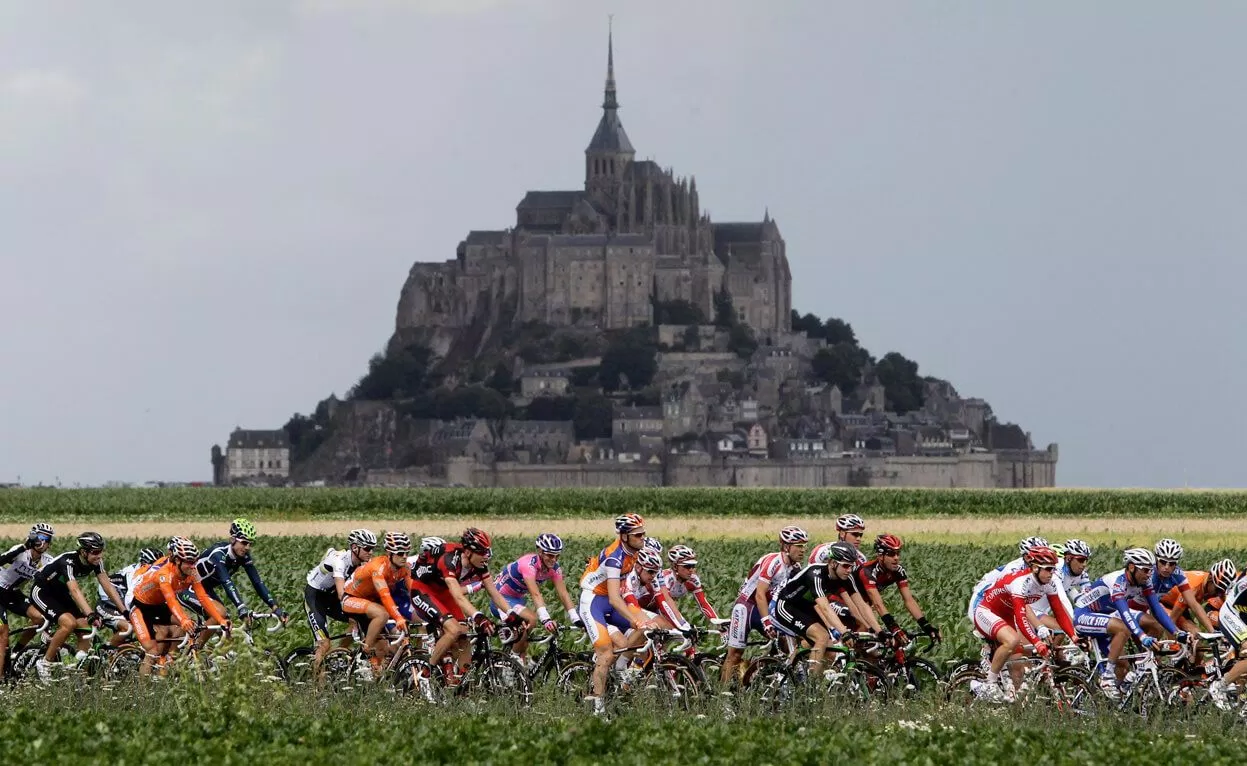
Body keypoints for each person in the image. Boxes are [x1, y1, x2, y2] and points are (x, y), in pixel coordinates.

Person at [1072, 547, 1187, 697]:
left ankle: (1130, 680)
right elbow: (1124, 612)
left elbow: (1156, 609)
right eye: (1145, 570)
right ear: (1132, 567)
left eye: (1151, 570)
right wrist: (1141, 636)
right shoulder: (1118, 581)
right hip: (1084, 615)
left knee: (1127, 662)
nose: (1149, 575)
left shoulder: (1143, 581)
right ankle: (1106, 678)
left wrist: (1176, 632)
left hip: (1108, 615)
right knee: (1123, 629)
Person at [971, 545, 1079, 703]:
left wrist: (1074, 637)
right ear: (1035, 568)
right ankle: (990, 683)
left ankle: (1012, 707)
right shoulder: (1020, 582)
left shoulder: (1049, 583)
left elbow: (1060, 613)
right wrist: (1037, 642)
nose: (1052, 573)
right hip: (987, 612)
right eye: (1048, 569)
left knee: (1019, 666)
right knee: (1012, 640)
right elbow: (1021, 618)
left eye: (1053, 569)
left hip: (1006, 616)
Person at [408, 527, 512, 684]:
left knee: (464, 634)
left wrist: (512, 614)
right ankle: (425, 676)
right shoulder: (450, 560)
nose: (486, 557)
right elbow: (458, 596)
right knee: (454, 630)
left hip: (443, 593)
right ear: (469, 552)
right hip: (423, 590)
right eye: (482, 553)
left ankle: (463, 684)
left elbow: (494, 593)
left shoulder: (480, 564)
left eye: (487, 552)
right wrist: (479, 617)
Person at [29, 532, 129, 681]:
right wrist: (90, 614)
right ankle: (45, 663)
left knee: (85, 628)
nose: (99, 555)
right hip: (43, 591)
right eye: (95, 552)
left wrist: (125, 611)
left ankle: (77, 669)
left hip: (60, 593)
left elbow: (108, 586)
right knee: (68, 623)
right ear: (83, 552)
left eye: (101, 551)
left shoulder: (96, 562)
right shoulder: (68, 561)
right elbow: (75, 590)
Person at [579, 514, 651, 716]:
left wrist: (642, 619)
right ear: (625, 536)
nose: (642, 538)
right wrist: (633, 618)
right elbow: (614, 598)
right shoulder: (614, 557)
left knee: (648, 628)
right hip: (593, 601)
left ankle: (620, 669)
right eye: (638, 535)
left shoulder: (634, 551)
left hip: (610, 601)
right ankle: (599, 710)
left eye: (643, 533)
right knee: (606, 653)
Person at [720, 526, 808, 688]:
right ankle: (722, 700)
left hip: (768, 608)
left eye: (804, 545)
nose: (803, 550)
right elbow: (760, 594)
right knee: (735, 655)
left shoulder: (796, 568)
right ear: (786, 547)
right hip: (747, 607)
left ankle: (762, 672)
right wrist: (767, 622)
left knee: (784, 642)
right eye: (799, 545)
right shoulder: (773, 561)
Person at [128, 538, 231, 676]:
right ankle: (142, 694)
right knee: (152, 651)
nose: (193, 565)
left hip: (158, 606)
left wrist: (220, 619)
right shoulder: (164, 574)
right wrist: (183, 620)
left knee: (191, 626)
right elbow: (171, 600)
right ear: (177, 560)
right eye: (189, 562)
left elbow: (203, 598)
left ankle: (170, 663)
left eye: (194, 561)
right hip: (140, 607)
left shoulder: (192, 572)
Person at [484, 533, 579, 663]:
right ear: (540, 551)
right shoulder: (528, 564)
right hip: (500, 599)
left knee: (523, 639)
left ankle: (518, 660)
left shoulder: (554, 568)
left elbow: (563, 594)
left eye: (557, 556)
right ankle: (512, 660)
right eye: (550, 555)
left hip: (517, 600)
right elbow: (535, 593)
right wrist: (546, 619)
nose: (554, 559)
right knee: (531, 619)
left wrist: (575, 618)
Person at [772, 542, 859, 679]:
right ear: (832, 563)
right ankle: (810, 688)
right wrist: (844, 632)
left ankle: (788, 671)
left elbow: (860, 606)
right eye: (845, 566)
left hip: (805, 607)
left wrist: (876, 630)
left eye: (851, 566)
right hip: (787, 605)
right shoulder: (815, 573)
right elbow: (824, 607)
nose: (849, 570)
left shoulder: (845, 577)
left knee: (830, 651)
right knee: (821, 637)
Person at [341, 531, 419, 678]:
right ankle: (365, 651)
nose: (404, 556)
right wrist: (398, 617)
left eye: (406, 553)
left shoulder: (405, 568)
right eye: (400, 553)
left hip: (370, 602)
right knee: (382, 614)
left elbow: (414, 593)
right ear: (389, 553)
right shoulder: (378, 567)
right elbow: (385, 595)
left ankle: (374, 677)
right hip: (351, 598)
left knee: (383, 647)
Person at [189, 519, 287, 628]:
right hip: (189, 588)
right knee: (220, 615)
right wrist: (241, 607)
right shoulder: (218, 554)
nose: (247, 547)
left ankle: (205, 643)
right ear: (232, 539)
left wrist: (274, 607)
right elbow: (226, 581)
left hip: (205, 589)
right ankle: (195, 645)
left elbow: (257, 582)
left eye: (250, 544)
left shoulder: (243, 556)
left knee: (226, 625)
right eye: (244, 542)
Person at [304, 529, 376, 670]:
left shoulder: (362, 564)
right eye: (368, 548)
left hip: (331, 598)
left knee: (358, 619)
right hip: (316, 596)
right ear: (355, 547)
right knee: (324, 643)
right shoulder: (340, 561)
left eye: (373, 549)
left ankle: (339, 656)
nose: (371, 552)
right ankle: (313, 685)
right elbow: (341, 594)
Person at [856, 534, 940, 644]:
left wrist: (926, 625)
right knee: (866, 628)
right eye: (891, 554)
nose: (896, 558)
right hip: (846, 601)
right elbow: (878, 604)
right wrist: (894, 628)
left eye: (897, 553)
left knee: (881, 646)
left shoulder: (898, 571)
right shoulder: (867, 571)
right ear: (880, 556)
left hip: (865, 604)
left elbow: (909, 600)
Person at [0, 523, 56, 679]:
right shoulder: (20, 551)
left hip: (13, 594)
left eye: (47, 539)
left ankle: (17, 651)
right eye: (40, 538)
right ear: (32, 537)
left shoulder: (46, 560)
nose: (43, 543)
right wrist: (23, 547)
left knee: (39, 619)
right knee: (2, 633)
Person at [1134, 539, 1215, 637]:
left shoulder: (1177, 574)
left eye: (1171, 563)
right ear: (1156, 560)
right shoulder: (1148, 574)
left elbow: (1194, 604)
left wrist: (1212, 631)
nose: (1167, 567)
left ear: (1176, 564)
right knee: (1158, 627)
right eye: (1163, 562)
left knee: (1163, 633)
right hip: (1132, 607)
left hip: (1150, 606)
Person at [1164, 558, 1236, 633]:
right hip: (1162, 602)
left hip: (1177, 603)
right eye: (1218, 590)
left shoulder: (1211, 585)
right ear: (1210, 579)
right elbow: (1171, 621)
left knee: (1196, 633)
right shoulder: (1193, 588)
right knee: (1183, 630)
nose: (1219, 595)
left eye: (1222, 592)